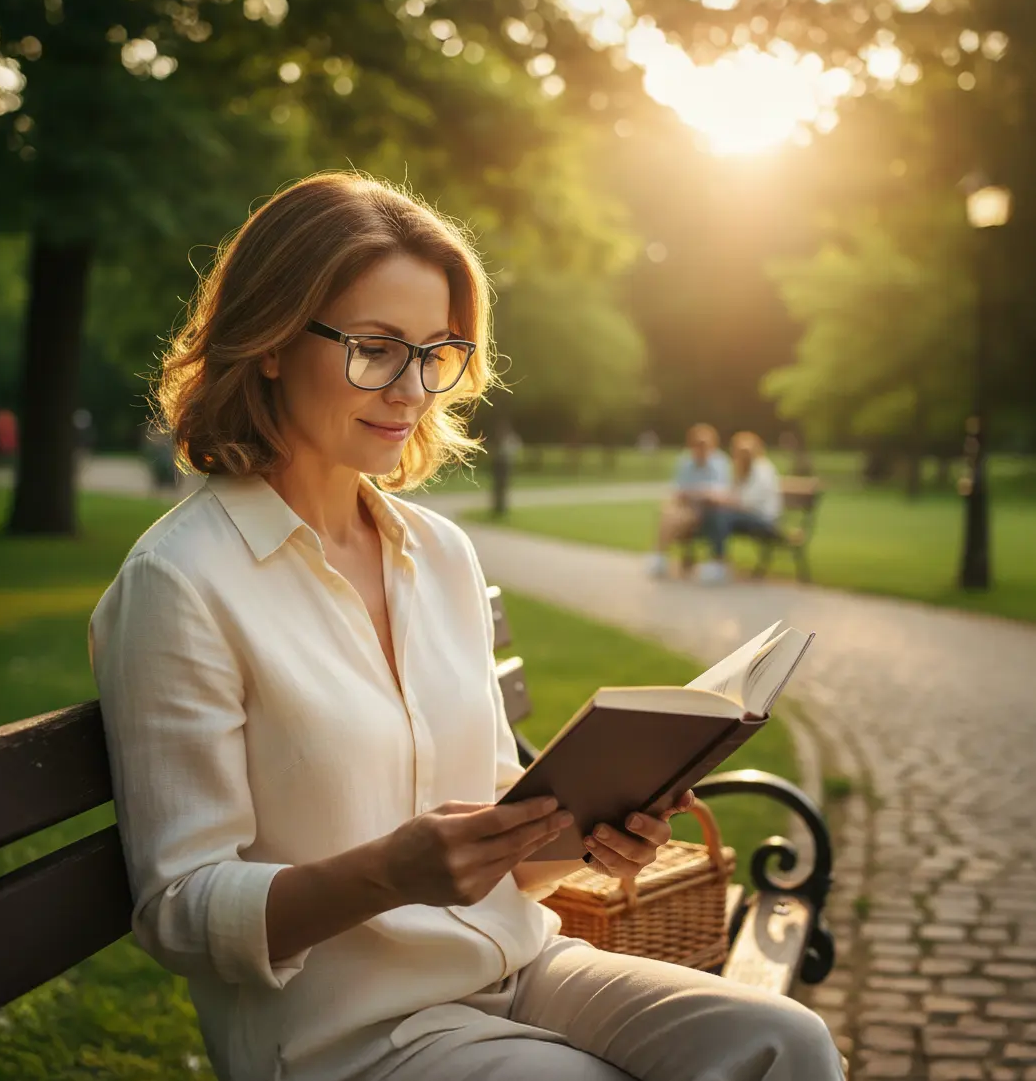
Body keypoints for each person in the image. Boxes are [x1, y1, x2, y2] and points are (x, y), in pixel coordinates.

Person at [89, 174, 842, 1081]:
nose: (411, 389)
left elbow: (503, 837)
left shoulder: (437, 553)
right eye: (374, 349)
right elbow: (178, 909)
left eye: (436, 352)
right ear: (274, 342)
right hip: (347, 1032)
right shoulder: (180, 582)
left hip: (517, 966)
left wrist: (592, 829)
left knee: (788, 1041)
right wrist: (385, 875)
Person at [695, 431, 784, 585]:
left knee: (721, 515)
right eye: (738, 452)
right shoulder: (741, 470)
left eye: (745, 452)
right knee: (713, 512)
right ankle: (717, 561)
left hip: (765, 520)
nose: (740, 456)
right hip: (747, 517)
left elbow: (748, 503)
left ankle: (719, 563)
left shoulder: (763, 470)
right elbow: (733, 495)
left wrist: (723, 500)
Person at [645, 423, 731, 579]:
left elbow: (719, 494)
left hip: (707, 512)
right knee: (667, 511)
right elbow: (678, 491)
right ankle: (659, 557)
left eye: (704, 445)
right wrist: (697, 492)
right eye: (697, 444)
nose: (700, 449)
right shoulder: (685, 461)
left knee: (671, 516)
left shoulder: (720, 462)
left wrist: (694, 493)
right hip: (686, 508)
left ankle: (659, 556)